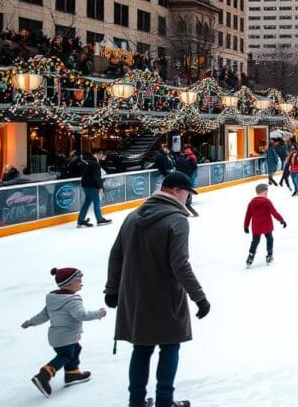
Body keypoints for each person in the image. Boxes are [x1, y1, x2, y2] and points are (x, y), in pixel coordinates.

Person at [104, 171, 209, 407]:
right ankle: (164, 401)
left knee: (141, 349)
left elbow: (115, 255)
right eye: (186, 193)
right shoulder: (177, 219)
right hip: (165, 296)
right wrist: (200, 297)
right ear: (175, 190)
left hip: (135, 296)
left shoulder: (133, 215)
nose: (187, 199)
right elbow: (180, 264)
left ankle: (136, 402)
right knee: (170, 347)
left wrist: (112, 290)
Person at [23, 267, 107, 398]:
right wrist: (99, 313)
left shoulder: (53, 299)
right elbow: (81, 315)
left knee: (76, 349)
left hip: (57, 337)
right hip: (66, 337)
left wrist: (31, 322)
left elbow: (43, 315)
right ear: (70, 283)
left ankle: (72, 373)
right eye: (79, 280)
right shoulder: (72, 300)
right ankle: (44, 375)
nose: (81, 282)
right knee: (65, 356)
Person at [243, 183, 287, 267]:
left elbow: (248, 215)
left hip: (256, 226)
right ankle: (269, 255)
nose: (267, 193)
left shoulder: (251, 203)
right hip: (267, 225)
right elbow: (274, 213)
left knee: (255, 241)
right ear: (262, 192)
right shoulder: (267, 202)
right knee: (269, 238)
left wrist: (246, 226)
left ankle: (250, 256)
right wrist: (282, 220)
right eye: (266, 192)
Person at [78, 151, 112, 227]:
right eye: (103, 157)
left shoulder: (89, 160)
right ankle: (100, 220)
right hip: (92, 186)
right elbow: (96, 177)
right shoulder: (94, 163)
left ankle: (80, 220)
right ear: (100, 154)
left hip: (85, 184)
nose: (103, 159)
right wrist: (100, 187)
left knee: (87, 202)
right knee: (97, 202)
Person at [173, 148, 199, 217]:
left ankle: (186, 211)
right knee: (186, 198)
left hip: (181, 180)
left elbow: (177, 169)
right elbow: (194, 167)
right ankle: (190, 211)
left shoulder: (179, 160)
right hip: (185, 179)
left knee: (182, 198)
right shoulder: (189, 160)